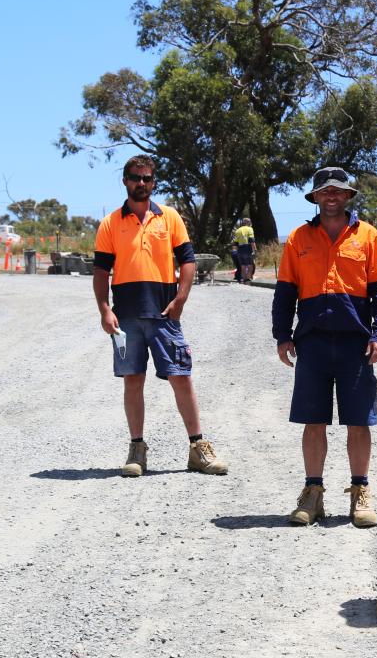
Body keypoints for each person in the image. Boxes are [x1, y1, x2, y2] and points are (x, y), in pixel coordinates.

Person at [272, 167, 377, 527]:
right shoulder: (298, 238)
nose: (331, 196)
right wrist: (282, 335)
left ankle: (360, 492)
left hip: (356, 343)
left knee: (359, 421)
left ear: (348, 196)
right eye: (325, 191)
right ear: (315, 197)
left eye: (338, 191)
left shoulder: (368, 237)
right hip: (311, 342)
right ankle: (313, 493)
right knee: (314, 420)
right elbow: (285, 291)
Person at [93, 155, 228, 478]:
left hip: (165, 315)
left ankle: (198, 448)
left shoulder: (169, 218)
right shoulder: (111, 223)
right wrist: (104, 309)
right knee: (133, 381)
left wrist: (181, 298)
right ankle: (137, 450)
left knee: (181, 377)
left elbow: (188, 261)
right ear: (125, 181)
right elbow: (100, 270)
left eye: (147, 178)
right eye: (135, 178)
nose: (141, 183)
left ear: (154, 182)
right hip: (126, 317)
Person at [232, 217, 257, 283]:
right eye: (250, 222)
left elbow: (235, 243)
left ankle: (243, 279)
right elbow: (251, 240)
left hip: (239, 250)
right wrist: (255, 250)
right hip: (247, 248)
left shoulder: (238, 230)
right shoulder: (250, 229)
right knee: (250, 266)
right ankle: (248, 279)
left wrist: (235, 252)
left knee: (243, 266)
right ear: (248, 223)